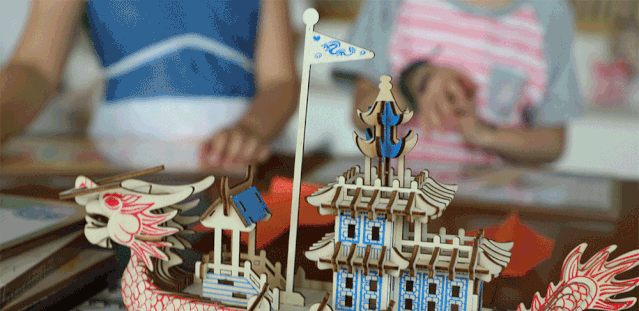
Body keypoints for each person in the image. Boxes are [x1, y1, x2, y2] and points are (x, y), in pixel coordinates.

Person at [0, 0, 298, 170]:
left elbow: (281, 80)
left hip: (242, 165)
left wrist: (253, 128)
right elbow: (35, 67)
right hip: (121, 162)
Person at [335, 0, 583, 165]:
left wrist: (483, 135)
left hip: (493, 211)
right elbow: (361, 115)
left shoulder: (549, 12)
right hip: (399, 201)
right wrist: (416, 85)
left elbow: (553, 143)